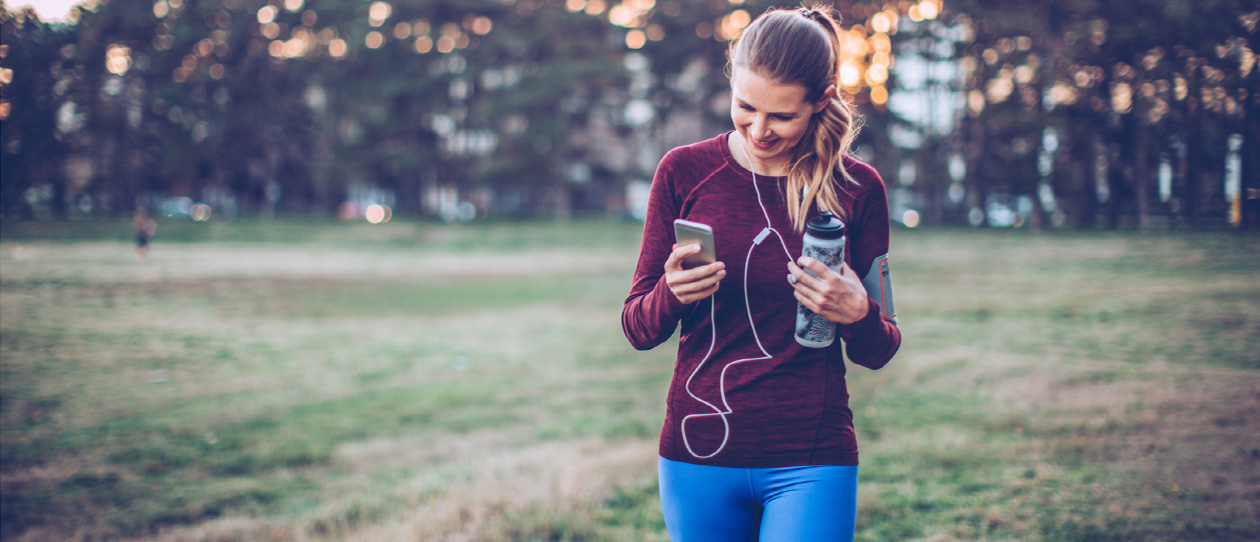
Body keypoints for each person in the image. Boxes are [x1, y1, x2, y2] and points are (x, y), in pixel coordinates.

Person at [621, 6, 901, 541]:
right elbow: (638, 328)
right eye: (744, 107)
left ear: (820, 102)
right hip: (697, 451)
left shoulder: (858, 189)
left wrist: (857, 312)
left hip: (811, 458)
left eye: (782, 116)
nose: (759, 129)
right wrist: (671, 294)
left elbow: (880, 347)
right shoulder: (683, 172)